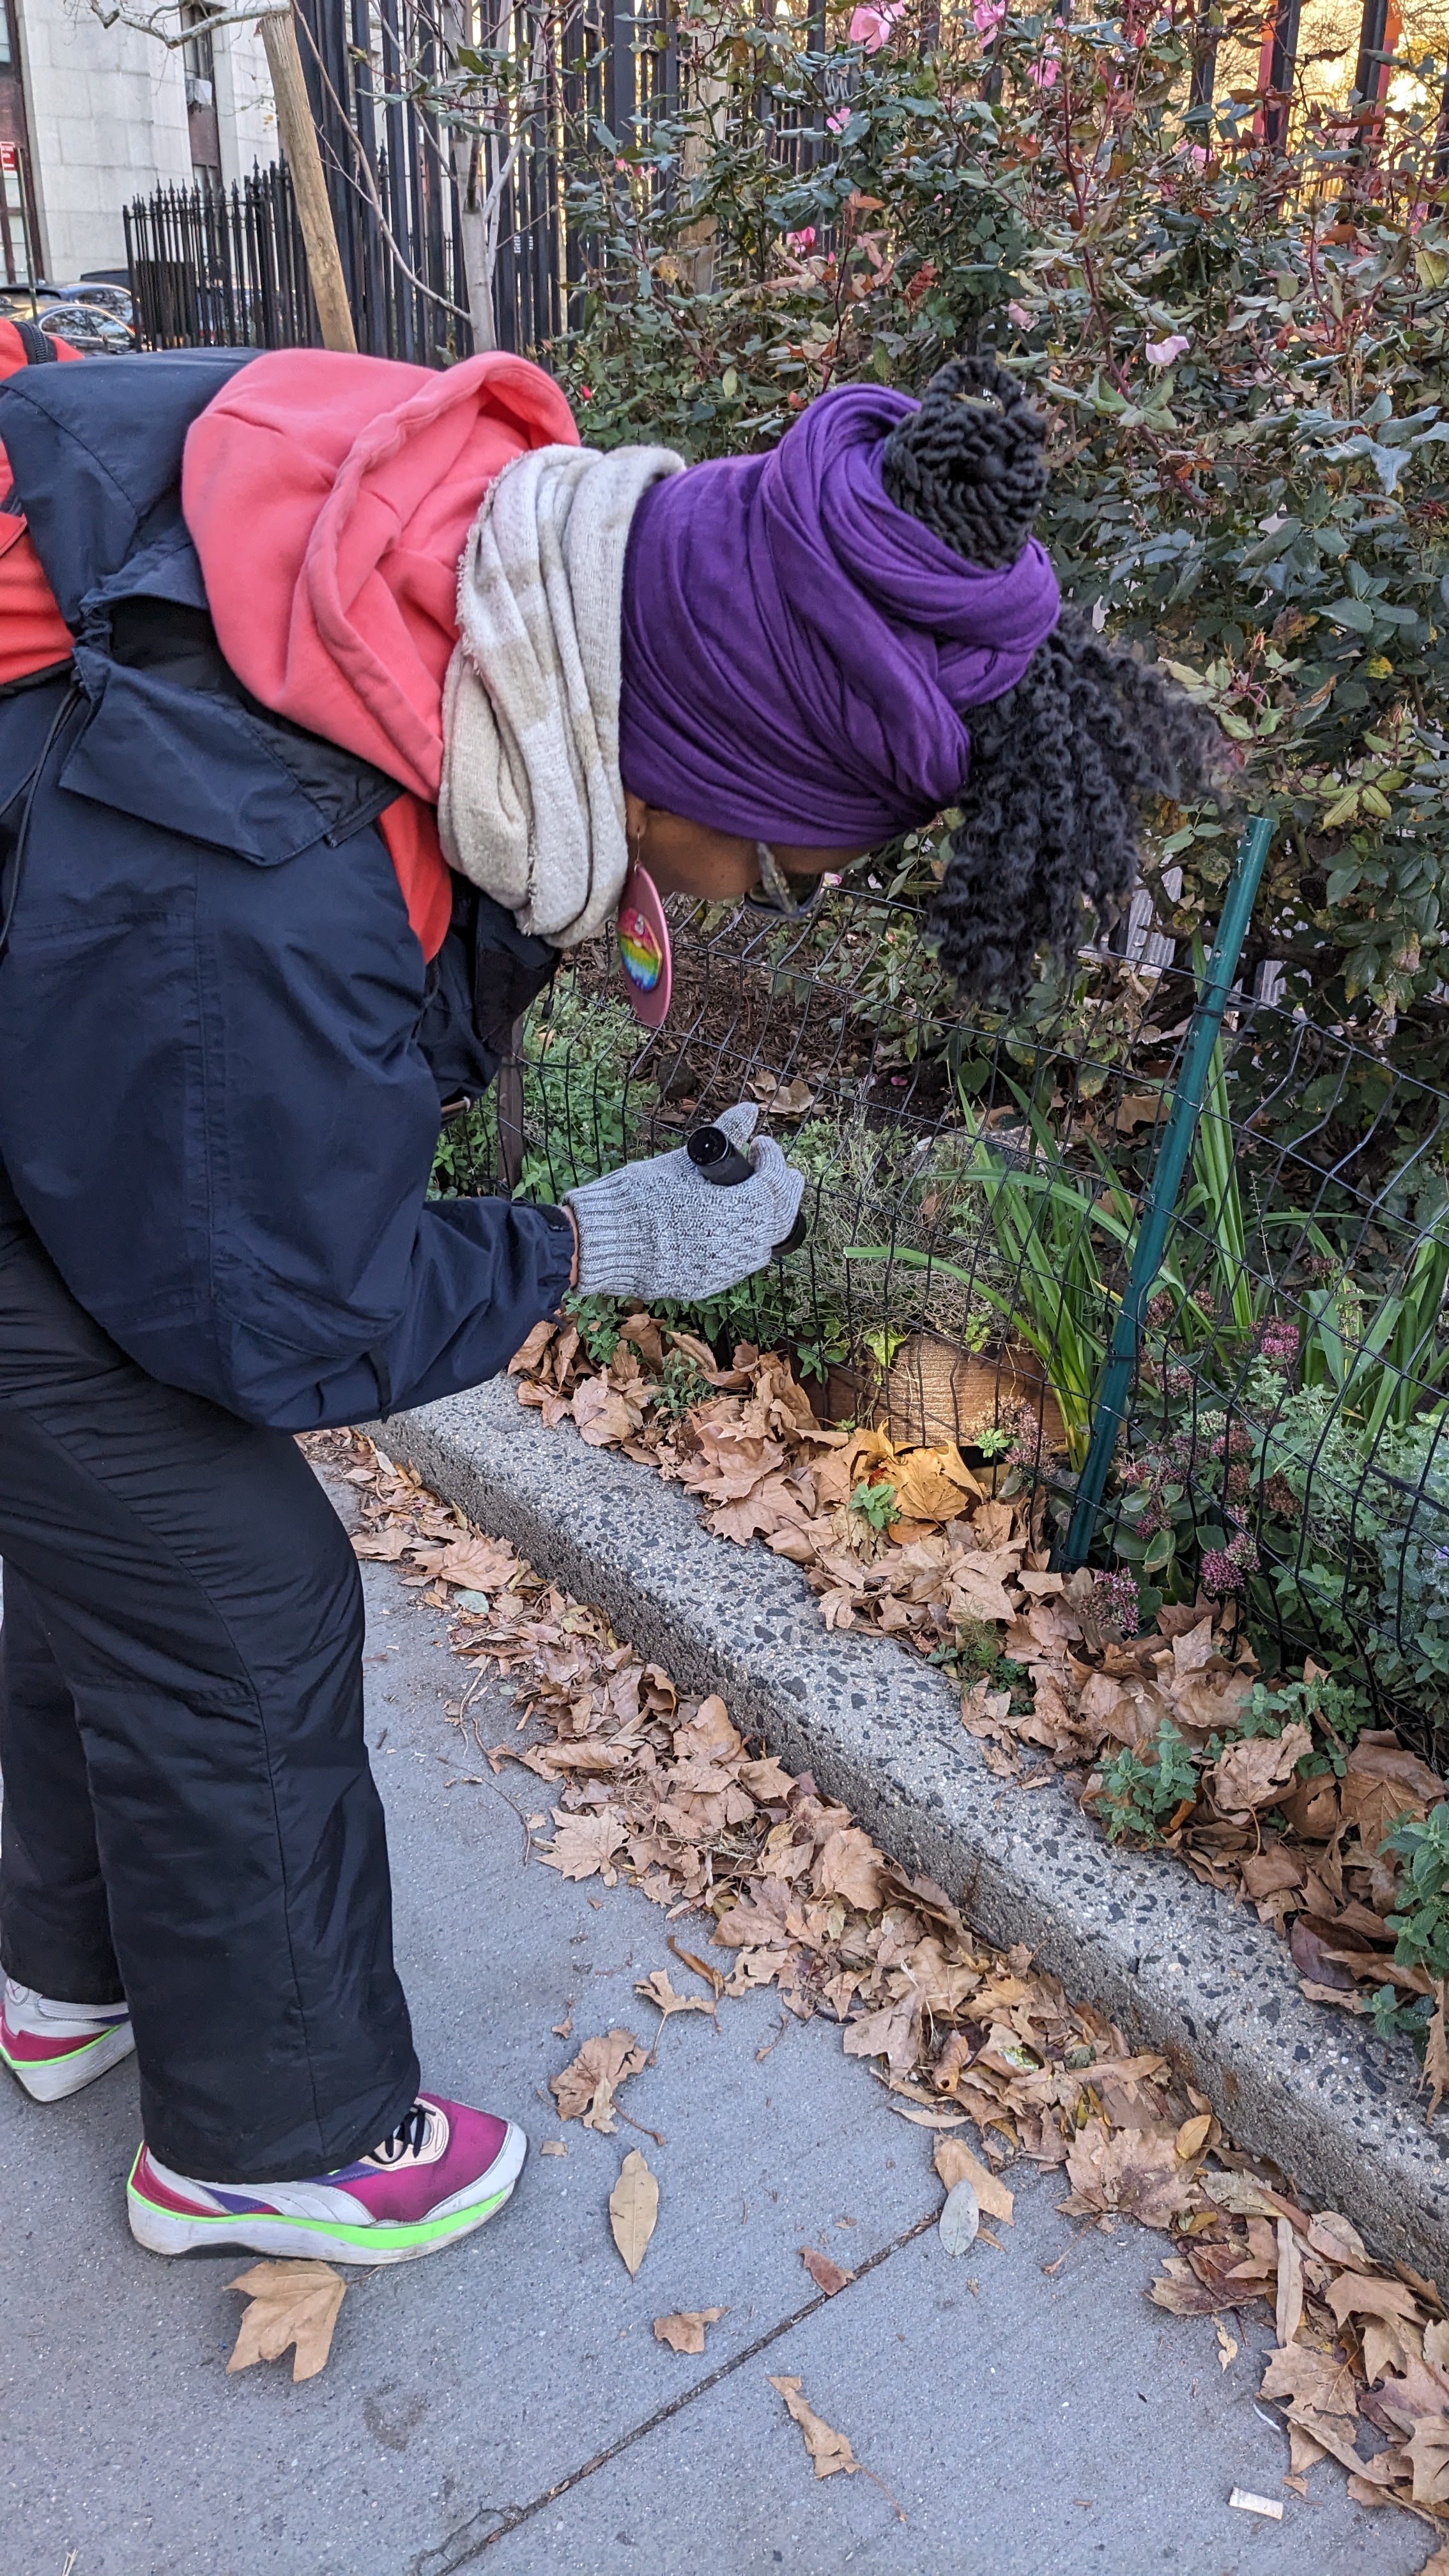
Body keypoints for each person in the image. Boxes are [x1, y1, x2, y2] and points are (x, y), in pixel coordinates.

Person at [0, 342, 1220, 2267]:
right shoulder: (271, 857)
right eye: (794, 878)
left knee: (126, 1535)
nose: (755, 907)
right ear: (703, 760)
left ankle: (65, 1973)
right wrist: (589, 1246)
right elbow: (272, 1314)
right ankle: (269, 2139)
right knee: (230, 1586)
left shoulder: (464, 565)